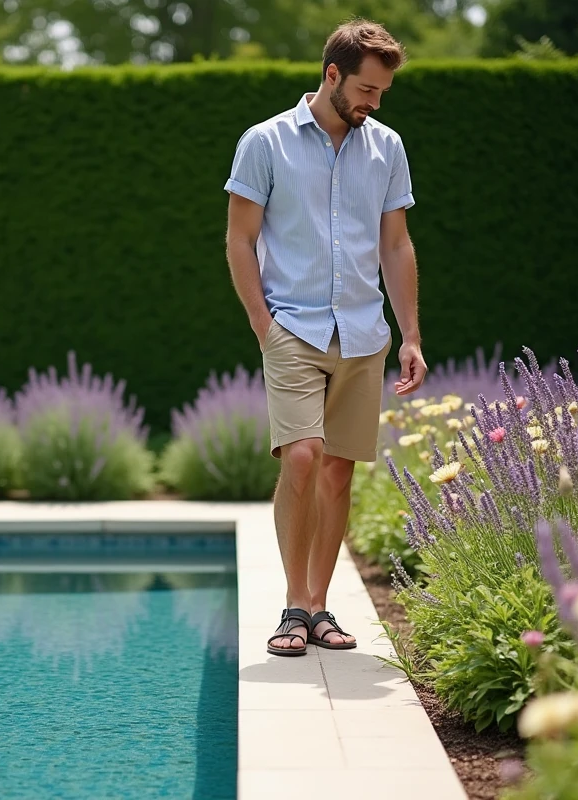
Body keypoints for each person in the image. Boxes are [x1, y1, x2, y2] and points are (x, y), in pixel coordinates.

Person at [223, 19, 428, 656]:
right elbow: (239, 239)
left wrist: (412, 335)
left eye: (383, 93)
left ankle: (318, 606)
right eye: (366, 89)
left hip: (365, 331)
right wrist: (264, 325)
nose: (374, 102)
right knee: (304, 455)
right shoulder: (265, 142)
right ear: (332, 74)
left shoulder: (385, 147)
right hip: (292, 326)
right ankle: (290, 606)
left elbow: (395, 244)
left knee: (338, 471)